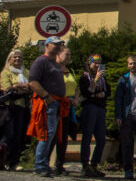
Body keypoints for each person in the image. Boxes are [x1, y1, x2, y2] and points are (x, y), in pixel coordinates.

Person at [27, 36, 68, 178]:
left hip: (56, 103)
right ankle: (39, 165)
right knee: (46, 134)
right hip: (47, 103)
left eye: (59, 44)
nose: (57, 47)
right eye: (55, 44)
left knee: (51, 135)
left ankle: (44, 164)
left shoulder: (55, 63)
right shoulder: (41, 62)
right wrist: (46, 96)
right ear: (47, 45)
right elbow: (32, 82)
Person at [77, 55, 108, 178]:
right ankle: (85, 165)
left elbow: (108, 91)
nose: (97, 65)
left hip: (100, 108)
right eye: (95, 63)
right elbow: (87, 92)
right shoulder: (85, 77)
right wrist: (95, 82)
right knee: (87, 137)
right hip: (89, 108)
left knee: (101, 139)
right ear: (89, 64)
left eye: (99, 63)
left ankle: (94, 164)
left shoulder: (103, 78)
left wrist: (101, 93)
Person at [2, 48, 33, 172]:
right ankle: (5, 161)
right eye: (15, 57)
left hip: (23, 107)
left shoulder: (26, 72)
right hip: (10, 107)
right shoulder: (6, 73)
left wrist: (17, 87)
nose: (18, 59)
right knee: (9, 135)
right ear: (10, 59)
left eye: (20, 57)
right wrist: (20, 87)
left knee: (20, 135)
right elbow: (8, 89)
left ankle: (14, 162)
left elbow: (31, 87)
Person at [53, 47, 79, 175]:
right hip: (57, 105)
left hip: (68, 107)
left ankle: (59, 164)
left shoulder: (70, 71)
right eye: (66, 54)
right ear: (58, 54)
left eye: (70, 55)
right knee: (54, 135)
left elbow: (75, 87)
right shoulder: (54, 69)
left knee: (63, 137)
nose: (68, 57)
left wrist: (75, 98)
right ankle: (45, 163)